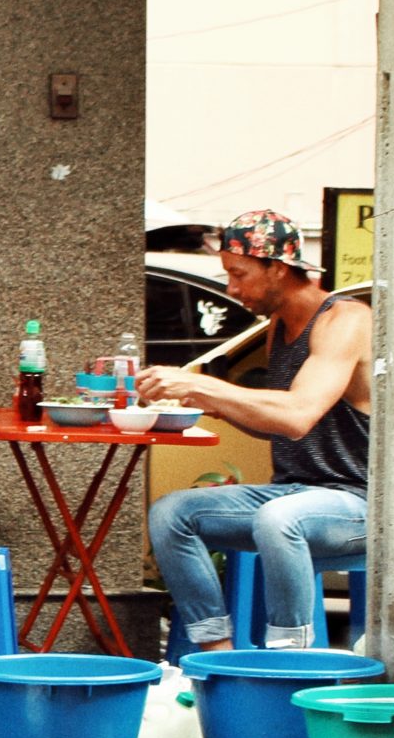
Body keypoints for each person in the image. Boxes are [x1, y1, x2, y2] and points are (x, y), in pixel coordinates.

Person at [136, 208, 371, 650]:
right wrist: (204, 402)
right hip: (295, 494)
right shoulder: (279, 327)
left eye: (239, 275)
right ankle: (216, 653)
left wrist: (204, 384)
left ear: (277, 269)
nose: (232, 289)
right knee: (172, 514)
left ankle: (288, 661)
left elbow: (297, 416)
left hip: (357, 503)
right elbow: (274, 426)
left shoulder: (345, 319)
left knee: (278, 519)